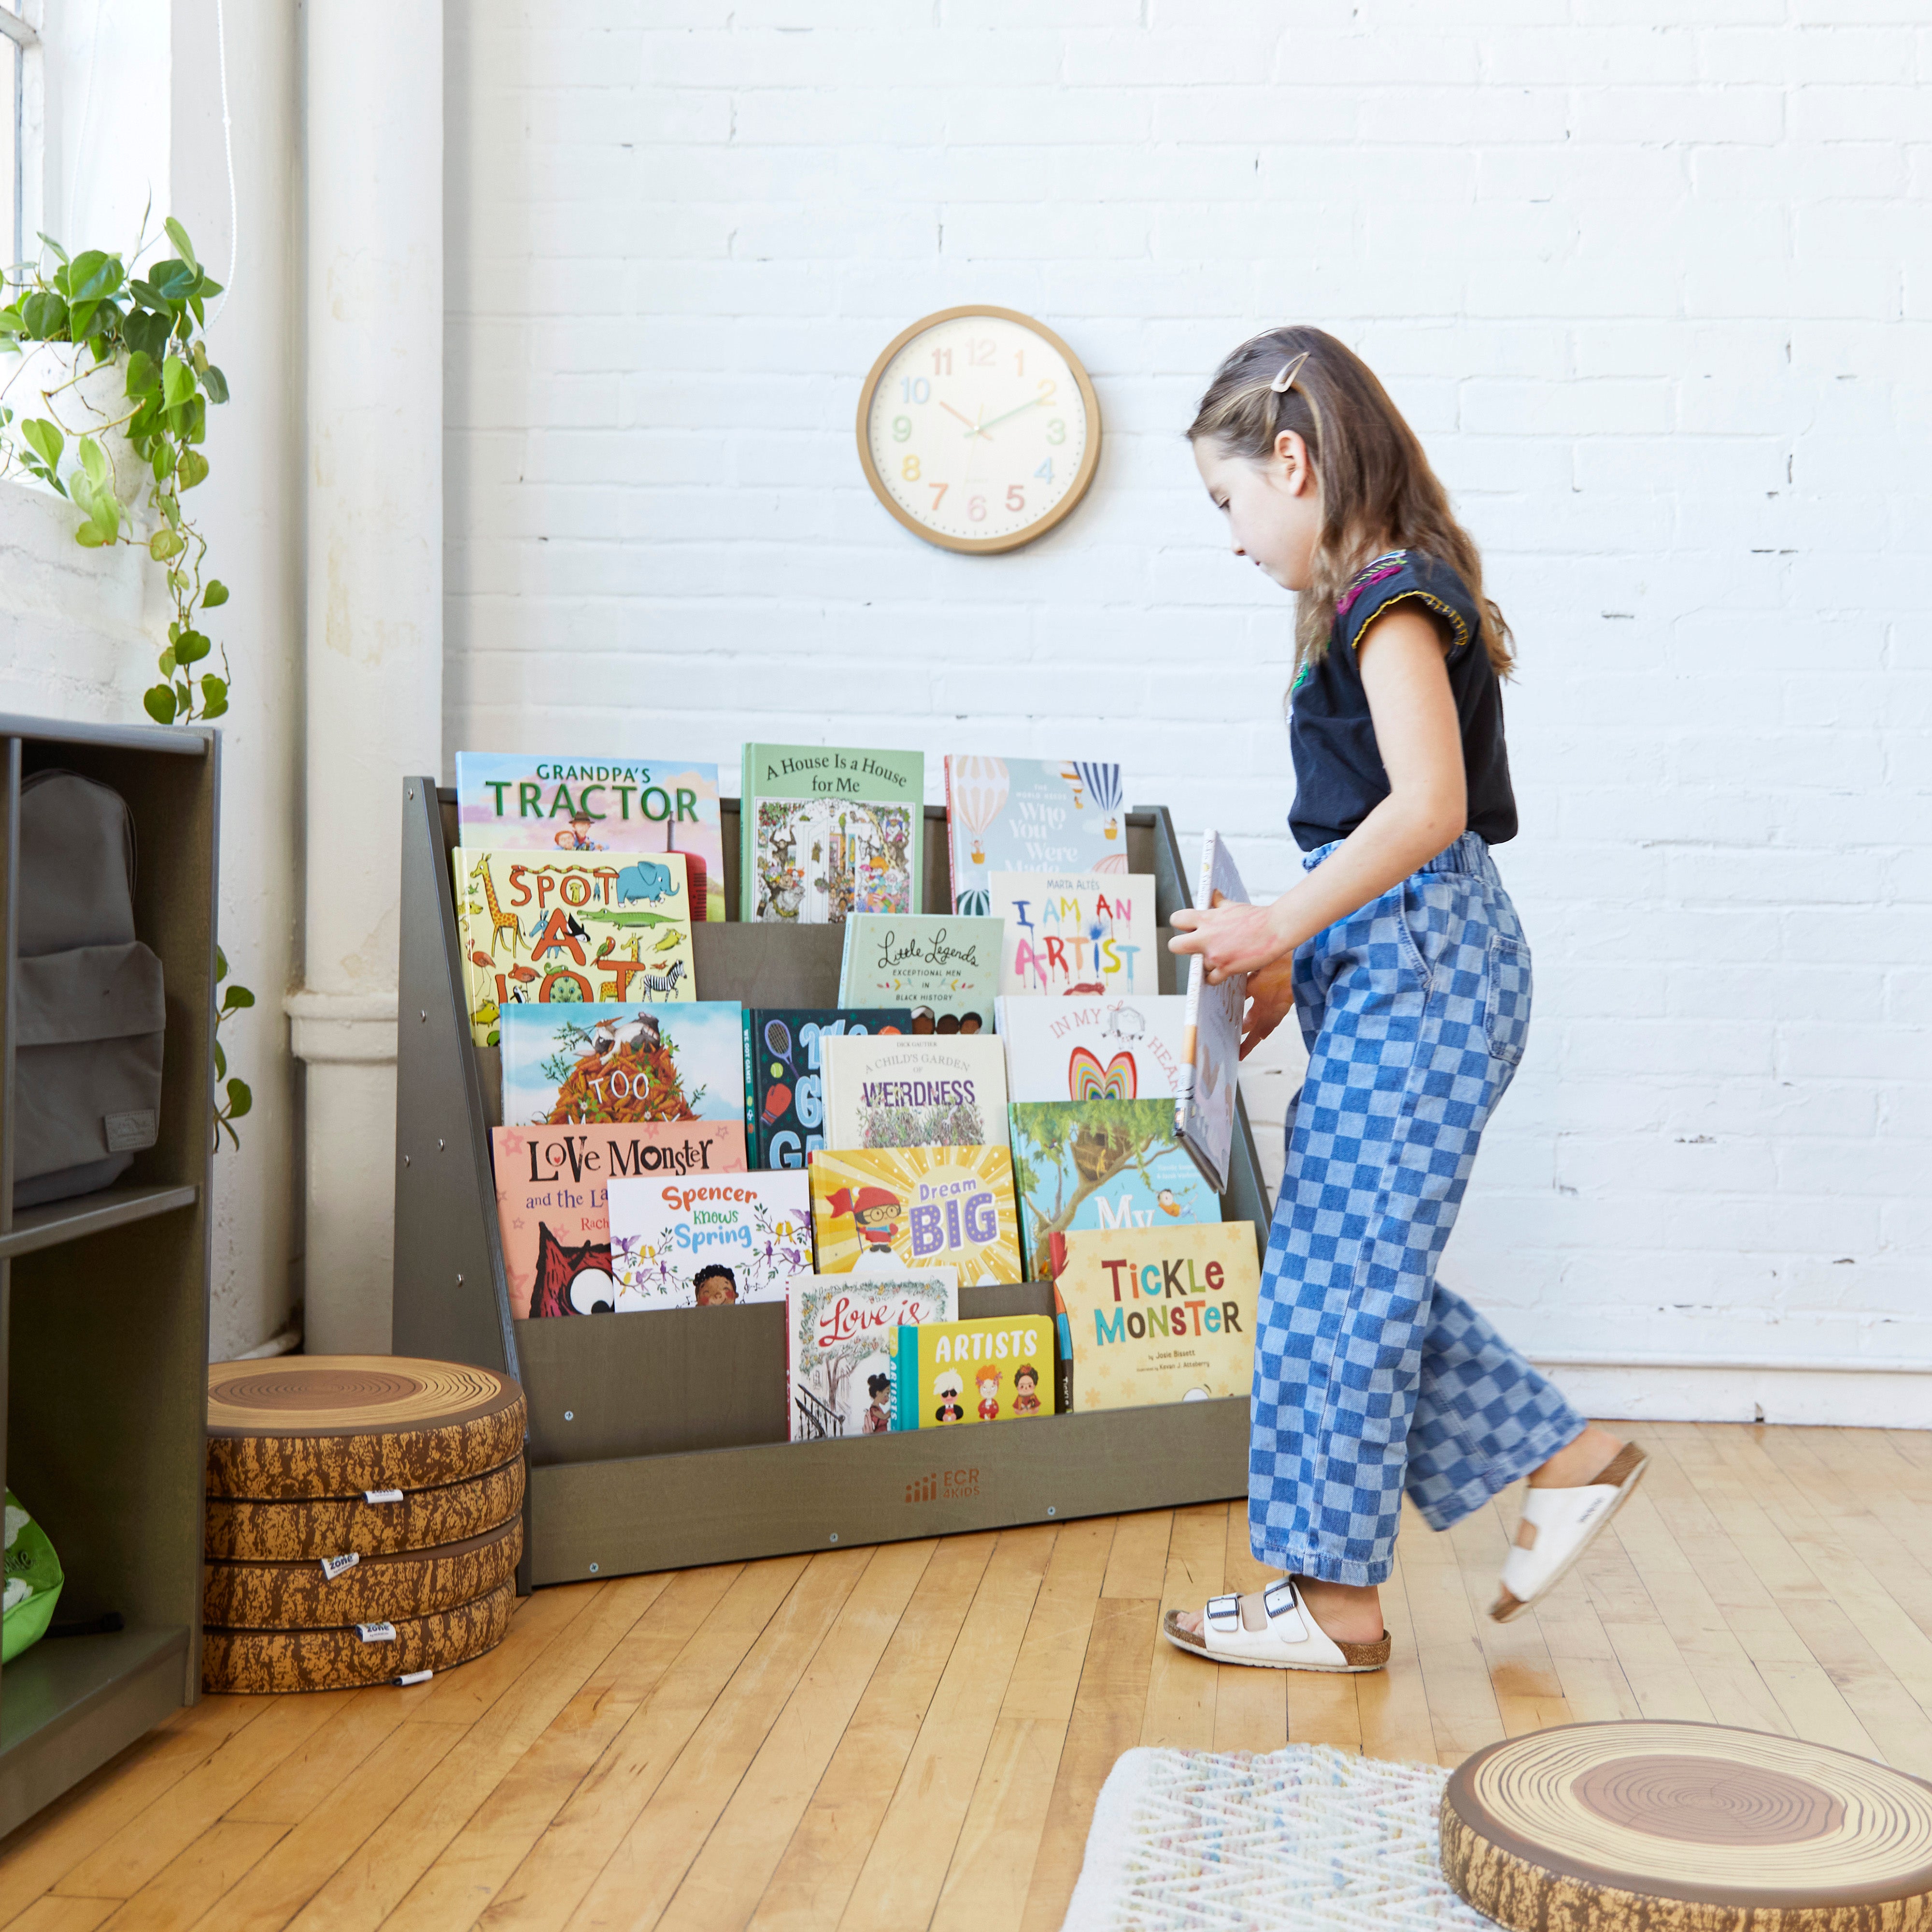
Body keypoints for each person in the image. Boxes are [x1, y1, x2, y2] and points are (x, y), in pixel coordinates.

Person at [1165, 328, 1647, 1676]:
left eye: (1228, 500)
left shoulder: (1387, 597)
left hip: (1427, 967)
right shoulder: (1380, 598)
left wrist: (1279, 924)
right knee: (1339, 1272)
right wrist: (1285, 965)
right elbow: (1377, 832)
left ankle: (1335, 1603)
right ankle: (1567, 1461)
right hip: (1405, 963)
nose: (1232, 534)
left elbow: (1429, 810)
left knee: (1339, 1282)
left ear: (1294, 459)